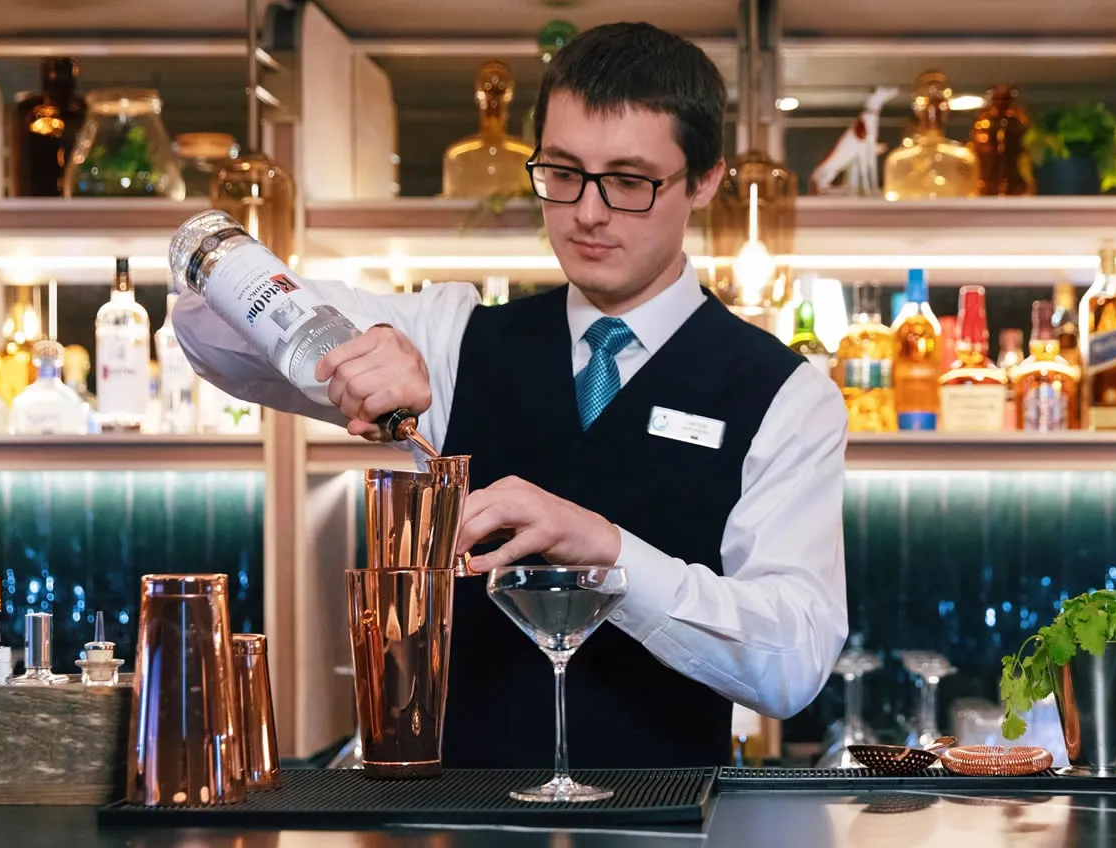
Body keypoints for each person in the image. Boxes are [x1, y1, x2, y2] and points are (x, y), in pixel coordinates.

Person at [174, 22, 848, 768]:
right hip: (458, 821)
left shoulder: (786, 396)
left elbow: (794, 662)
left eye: (628, 181)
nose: (587, 212)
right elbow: (206, 323)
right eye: (562, 172)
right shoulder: (452, 336)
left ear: (705, 181)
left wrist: (609, 552)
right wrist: (339, 346)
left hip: (667, 826)